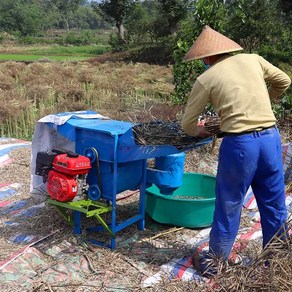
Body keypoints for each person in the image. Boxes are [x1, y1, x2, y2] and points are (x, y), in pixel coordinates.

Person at [181, 25, 291, 277]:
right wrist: (267, 100)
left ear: (206, 58)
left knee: (229, 202)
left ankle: (216, 263)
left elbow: (188, 124)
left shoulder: (206, 78)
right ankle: (276, 262)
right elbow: (284, 80)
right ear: (228, 50)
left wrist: (201, 131)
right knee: (274, 203)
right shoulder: (253, 60)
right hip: (271, 139)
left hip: (241, 146)